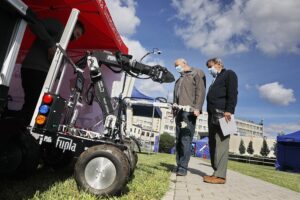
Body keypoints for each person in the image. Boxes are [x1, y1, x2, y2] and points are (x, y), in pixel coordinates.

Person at [21, 18, 84, 125]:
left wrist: (58, 74)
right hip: (34, 69)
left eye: (78, 37)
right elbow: (35, 23)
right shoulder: (58, 26)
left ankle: (23, 128)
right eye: (77, 34)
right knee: (33, 104)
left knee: (33, 104)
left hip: (43, 74)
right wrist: (50, 44)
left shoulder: (64, 42)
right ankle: (22, 130)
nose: (76, 38)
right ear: (73, 26)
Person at [204, 58, 238, 184]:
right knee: (213, 143)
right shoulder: (215, 79)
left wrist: (229, 110)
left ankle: (220, 176)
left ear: (218, 64)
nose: (209, 69)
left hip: (224, 114)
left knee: (222, 144)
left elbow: (233, 93)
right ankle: (216, 172)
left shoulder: (229, 74)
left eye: (210, 66)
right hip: (212, 115)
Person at [173, 58, 206, 176]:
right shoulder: (179, 80)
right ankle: (178, 164)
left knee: (185, 139)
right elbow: (175, 97)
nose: (176, 68)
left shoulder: (196, 73)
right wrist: (174, 110)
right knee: (178, 139)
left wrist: (197, 108)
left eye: (177, 65)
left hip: (189, 112)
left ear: (184, 63)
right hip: (179, 113)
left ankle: (183, 167)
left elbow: (200, 91)